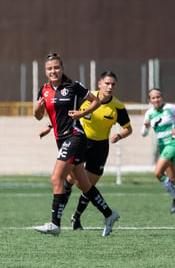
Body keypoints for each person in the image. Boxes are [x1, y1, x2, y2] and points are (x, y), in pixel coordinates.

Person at [33, 53, 120, 237]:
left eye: (56, 67)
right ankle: (109, 214)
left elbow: (96, 101)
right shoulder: (43, 90)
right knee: (83, 184)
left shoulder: (73, 86)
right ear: (45, 71)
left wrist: (81, 114)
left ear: (62, 68)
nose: (53, 71)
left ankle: (55, 224)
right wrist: (37, 110)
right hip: (60, 139)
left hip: (75, 136)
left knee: (57, 179)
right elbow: (39, 116)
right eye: (49, 68)